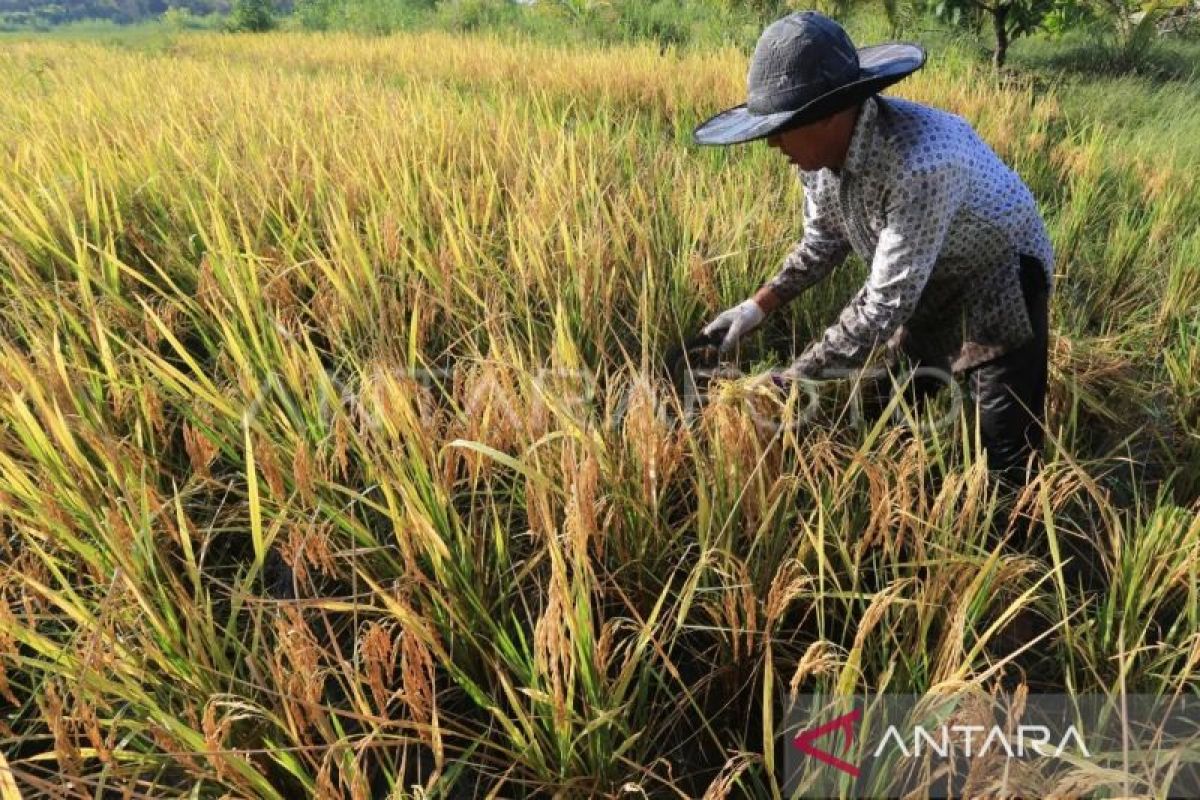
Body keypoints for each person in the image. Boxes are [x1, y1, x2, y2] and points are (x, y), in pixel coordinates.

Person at [694, 11, 1054, 489]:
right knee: (883, 403)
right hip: (928, 280)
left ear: (827, 116)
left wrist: (791, 377)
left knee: (1003, 440)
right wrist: (758, 306)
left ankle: (1014, 540)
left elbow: (883, 304)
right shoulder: (818, 160)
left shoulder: (921, 164)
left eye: (783, 128)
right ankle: (902, 496)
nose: (773, 144)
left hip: (1000, 273)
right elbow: (823, 241)